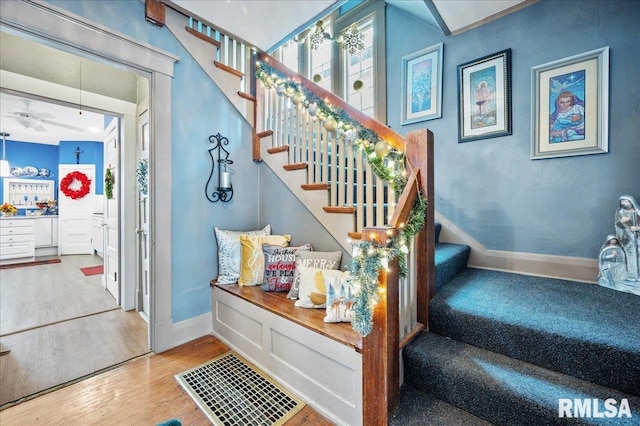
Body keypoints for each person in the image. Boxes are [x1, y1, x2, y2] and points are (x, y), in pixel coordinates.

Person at [615, 195, 640, 281]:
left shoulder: (637, 212)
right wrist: (621, 222)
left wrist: (637, 228)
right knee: (631, 256)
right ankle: (632, 276)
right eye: (622, 202)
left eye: (626, 201)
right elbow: (617, 224)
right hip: (628, 239)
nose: (623, 203)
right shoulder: (621, 212)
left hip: (638, 238)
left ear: (631, 202)